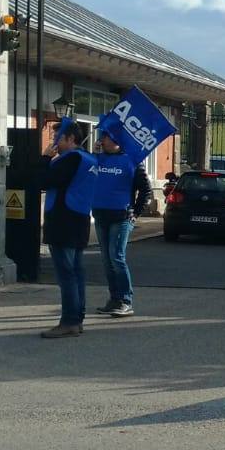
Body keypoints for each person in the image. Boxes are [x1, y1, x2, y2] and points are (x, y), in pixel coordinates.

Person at [40, 121, 98, 338]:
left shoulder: (71, 159)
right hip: (79, 219)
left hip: (63, 221)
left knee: (67, 274)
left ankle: (69, 321)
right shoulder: (90, 159)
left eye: (57, 139)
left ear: (70, 139)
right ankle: (77, 318)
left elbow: (45, 181)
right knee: (76, 272)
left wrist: (45, 159)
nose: (54, 143)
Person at [90, 134, 152, 318]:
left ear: (117, 141)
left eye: (105, 138)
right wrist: (94, 155)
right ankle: (114, 299)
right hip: (101, 215)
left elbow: (146, 190)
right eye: (101, 137)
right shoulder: (99, 160)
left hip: (121, 217)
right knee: (107, 260)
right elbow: (88, 177)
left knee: (116, 257)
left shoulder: (132, 161)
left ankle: (126, 300)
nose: (101, 140)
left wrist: (136, 213)